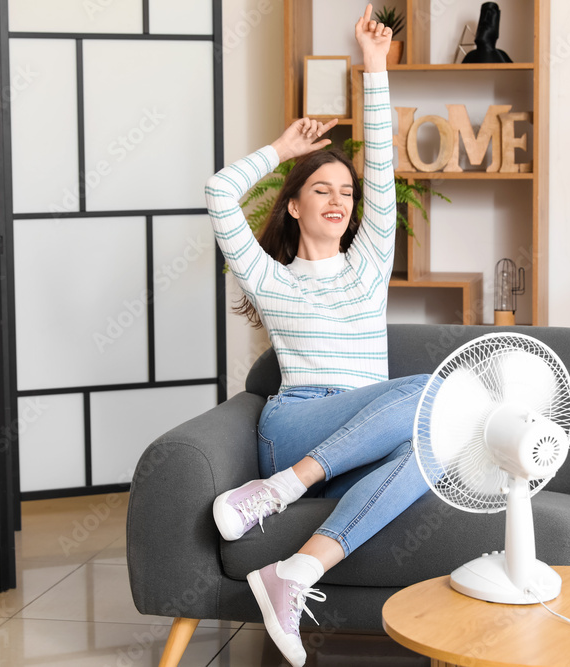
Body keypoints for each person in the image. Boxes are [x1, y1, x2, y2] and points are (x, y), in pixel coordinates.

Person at [204, 5, 430, 666]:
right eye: (322, 189)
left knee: (432, 450)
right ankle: (275, 487)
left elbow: (383, 168)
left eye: (346, 193)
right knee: (429, 391)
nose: (338, 200)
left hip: (347, 452)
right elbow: (219, 193)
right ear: (295, 203)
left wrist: (375, 66)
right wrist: (281, 150)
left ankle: (293, 573)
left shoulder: (369, 265)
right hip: (298, 424)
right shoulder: (270, 278)